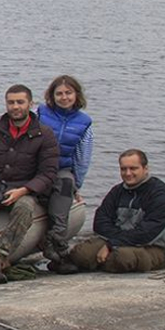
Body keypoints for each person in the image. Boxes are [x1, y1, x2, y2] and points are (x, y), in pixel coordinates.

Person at [0, 84, 61, 284]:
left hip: (24, 189)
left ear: (30, 104)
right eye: (11, 102)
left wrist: (24, 190)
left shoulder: (44, 134)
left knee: (24, 208)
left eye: (20, 102)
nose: (15, 107)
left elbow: (48, 173)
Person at [67, 150, 165, 273]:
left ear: (145, 168)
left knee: (122, 258)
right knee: (81, 254)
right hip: (115, 241)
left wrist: (111, 244)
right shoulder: (117, 191)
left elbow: (147, 233)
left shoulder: (162, 195)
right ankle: (99, 262)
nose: (128, 173)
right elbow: (100, 222)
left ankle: (101, 263)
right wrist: (113, 242)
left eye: (133, 168)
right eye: (123, 169)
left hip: (153, 247)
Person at [37, 75, 94, 273]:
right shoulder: (41, 113)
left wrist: (76, 186)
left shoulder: (84, 123)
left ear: (76, 94)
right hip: (37, 167)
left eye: (68, 93)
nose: (64, 97)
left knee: (66, 186)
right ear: (52, 96)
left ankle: (56, 246)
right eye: (59, 93)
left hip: (61, 169)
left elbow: (82, 157)